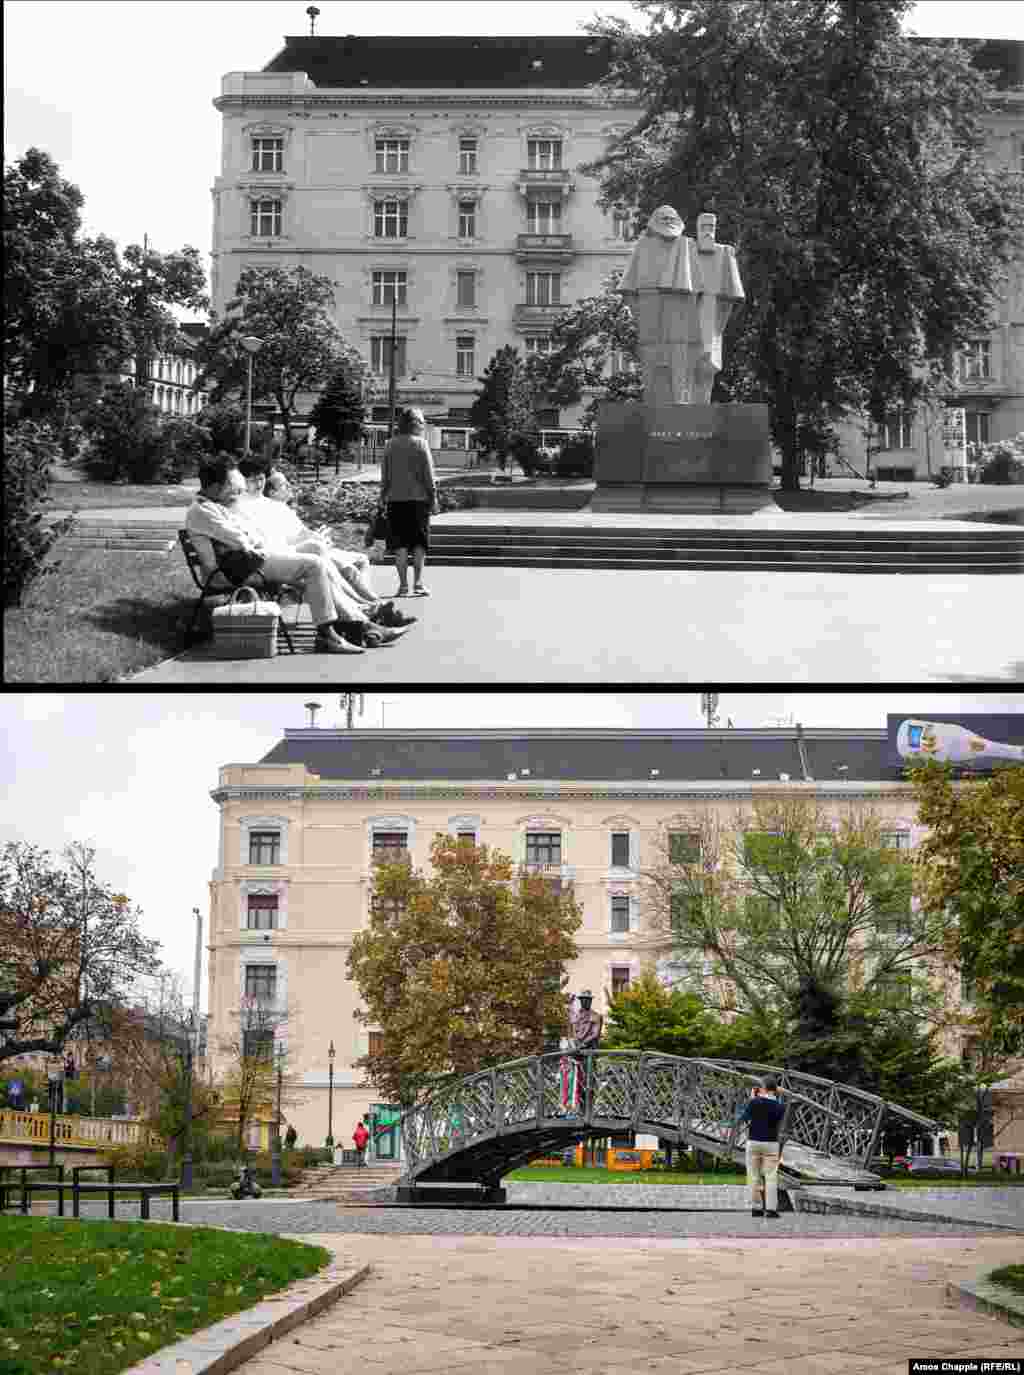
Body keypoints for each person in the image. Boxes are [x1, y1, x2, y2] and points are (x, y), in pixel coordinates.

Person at [186, 454, 406, 653]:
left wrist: (249, 536)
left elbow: (247, 537)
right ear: (214, 486)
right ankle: (336, 632)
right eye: (231, 486)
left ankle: (360, 625)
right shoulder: (203, 510)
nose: (236, 491)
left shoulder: (216, 505)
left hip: (249, 561)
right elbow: (242, 540)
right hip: (234, 571)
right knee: (313, 565)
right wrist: (248, 536)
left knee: (315, 562)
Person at [239, 458, 415, 629]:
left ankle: (367, 607)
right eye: (252, 479)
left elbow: (296, 534)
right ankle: (368, 608)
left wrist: (315, 537)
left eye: (261, 478)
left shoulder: (269, 504)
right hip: (270, 557)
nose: (258, 483)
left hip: (288, 552)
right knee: (322, 558)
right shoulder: (241, 505)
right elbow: (266, 540)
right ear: (242, 481)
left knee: (324, 555)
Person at [380, 407, 439, 597]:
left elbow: (385, 476)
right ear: (416, 424)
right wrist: (434, 498)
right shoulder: (421, 444)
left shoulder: (390, 445)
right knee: (419, 544)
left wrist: (382, 498)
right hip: (418, 501)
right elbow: (428, 476)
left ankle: (403, 586)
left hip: (395, 501)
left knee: (400, 545)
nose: (423, 425)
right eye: (421, 422)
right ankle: (419, 584)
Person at [737, 1076, 786, 1219]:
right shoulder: (780, 1106)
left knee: (753, 1175)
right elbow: (778, 1109)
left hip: (754, 1142)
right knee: (771, 1176)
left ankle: (756, 1208)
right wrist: (779, 1093)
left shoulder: (754, 1102)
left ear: (763, 1087)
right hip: (771, 1143)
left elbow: (744, 1117)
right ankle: (771, 1210)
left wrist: (752, 1098)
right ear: (775, 1090)